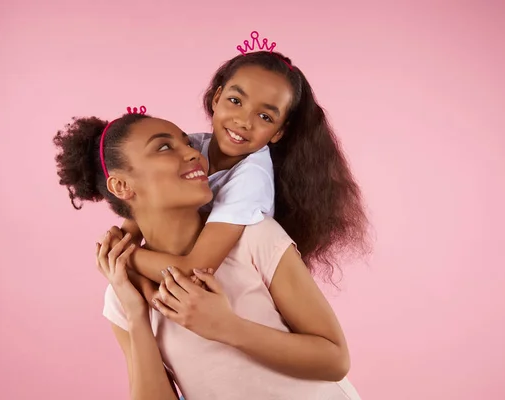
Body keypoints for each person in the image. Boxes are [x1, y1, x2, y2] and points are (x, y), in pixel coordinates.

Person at [53, 111, 362, 399]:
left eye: (187, 143)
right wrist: (137, 316)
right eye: (163, 148)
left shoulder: (254, 236)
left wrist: (226, 327)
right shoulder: (123, 293)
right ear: (121, 185)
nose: (192, 153)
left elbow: (334, 360)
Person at [117, 31, 369, 287]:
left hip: (228, 283)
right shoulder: (192, 146)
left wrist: (124, 256)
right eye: (235, 101)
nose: (243, 121)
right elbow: (147, 195)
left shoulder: (252, 178)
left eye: (265, 117)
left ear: (278, 132)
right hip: (178, 268)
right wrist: (124, 235)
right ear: (217, 98)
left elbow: (196, 271)